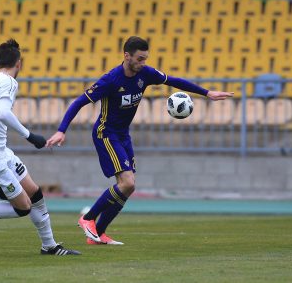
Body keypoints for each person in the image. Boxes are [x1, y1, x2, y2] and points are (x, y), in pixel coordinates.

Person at [46, 36, 234, 245]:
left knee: (128, 187)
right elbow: (80, 102)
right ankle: (88, 218)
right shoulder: (110, 80)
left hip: (123, 135)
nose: (143, 63)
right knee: (127, 182)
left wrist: (207, 93)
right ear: (127, 56)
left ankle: (97, 234)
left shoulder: (145, 74)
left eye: (145, 59)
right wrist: (62, 130)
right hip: (105, 133)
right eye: (140, 59)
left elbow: (173, 80)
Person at [0, 39, 80, 255]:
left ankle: (50, 246)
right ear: (18, 63)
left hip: (1, 154)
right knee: (23, 207)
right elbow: (2, 112)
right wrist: (30, 136)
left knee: (35, 193)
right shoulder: (9, 82)